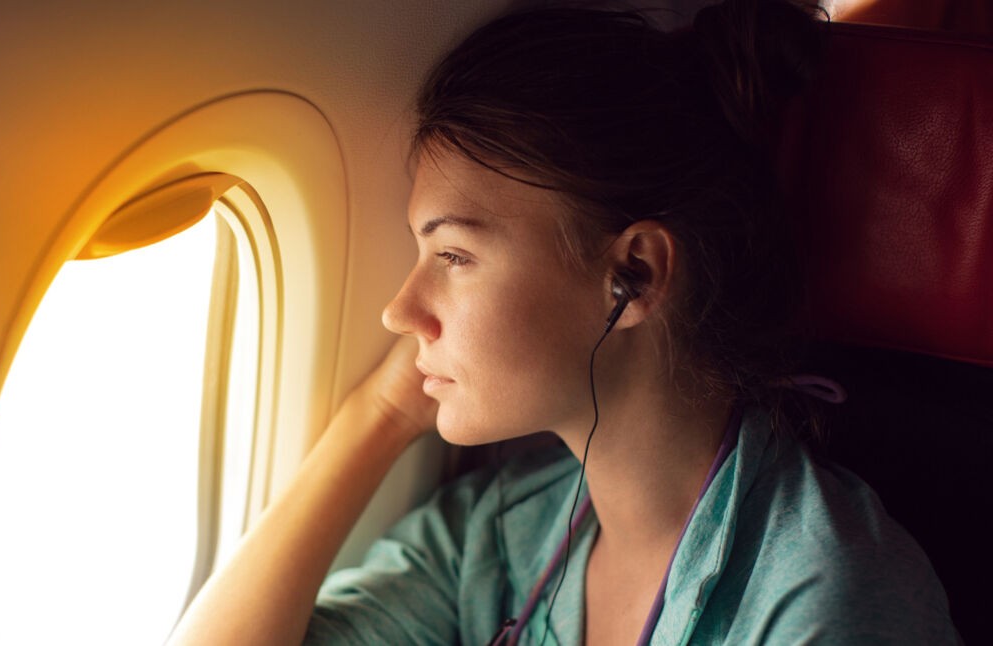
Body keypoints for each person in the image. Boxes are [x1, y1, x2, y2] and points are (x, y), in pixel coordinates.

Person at [168, 1, 960, 643]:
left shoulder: (827, 602)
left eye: (453, 257)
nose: (398, 310)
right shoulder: (503, 534)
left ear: (635, 273)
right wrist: (373, 417)